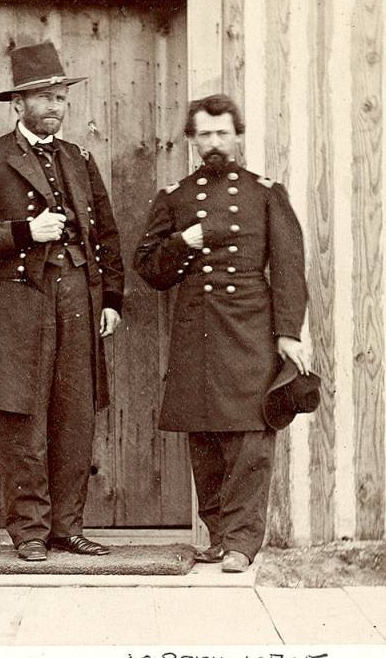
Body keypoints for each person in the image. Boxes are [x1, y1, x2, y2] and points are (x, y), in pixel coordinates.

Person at [0, 41, 125, 562]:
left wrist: (111, 299)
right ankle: (29, 531)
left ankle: (67, 527)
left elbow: (106, 234)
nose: (54, 106)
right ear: (18, 103)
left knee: (75, 414)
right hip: (20, 303)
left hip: (78, 299)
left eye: (60, 97)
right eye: (44, 97)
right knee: (22, 415)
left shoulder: (79, 158)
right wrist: (27, 231)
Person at [133, 93, 310, 572]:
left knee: (252, 436)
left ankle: (242, 544)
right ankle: (217, 536)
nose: (214, 142)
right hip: (197, 328)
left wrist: (288, 332)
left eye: (222, 133)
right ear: (192, 140)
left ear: (238, 136)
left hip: (251, 326)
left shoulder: (266, 193)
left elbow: (289, 268)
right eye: (205, 134)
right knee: (205, 436)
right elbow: (149, 268)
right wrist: (184, 240)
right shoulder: (174, 197)